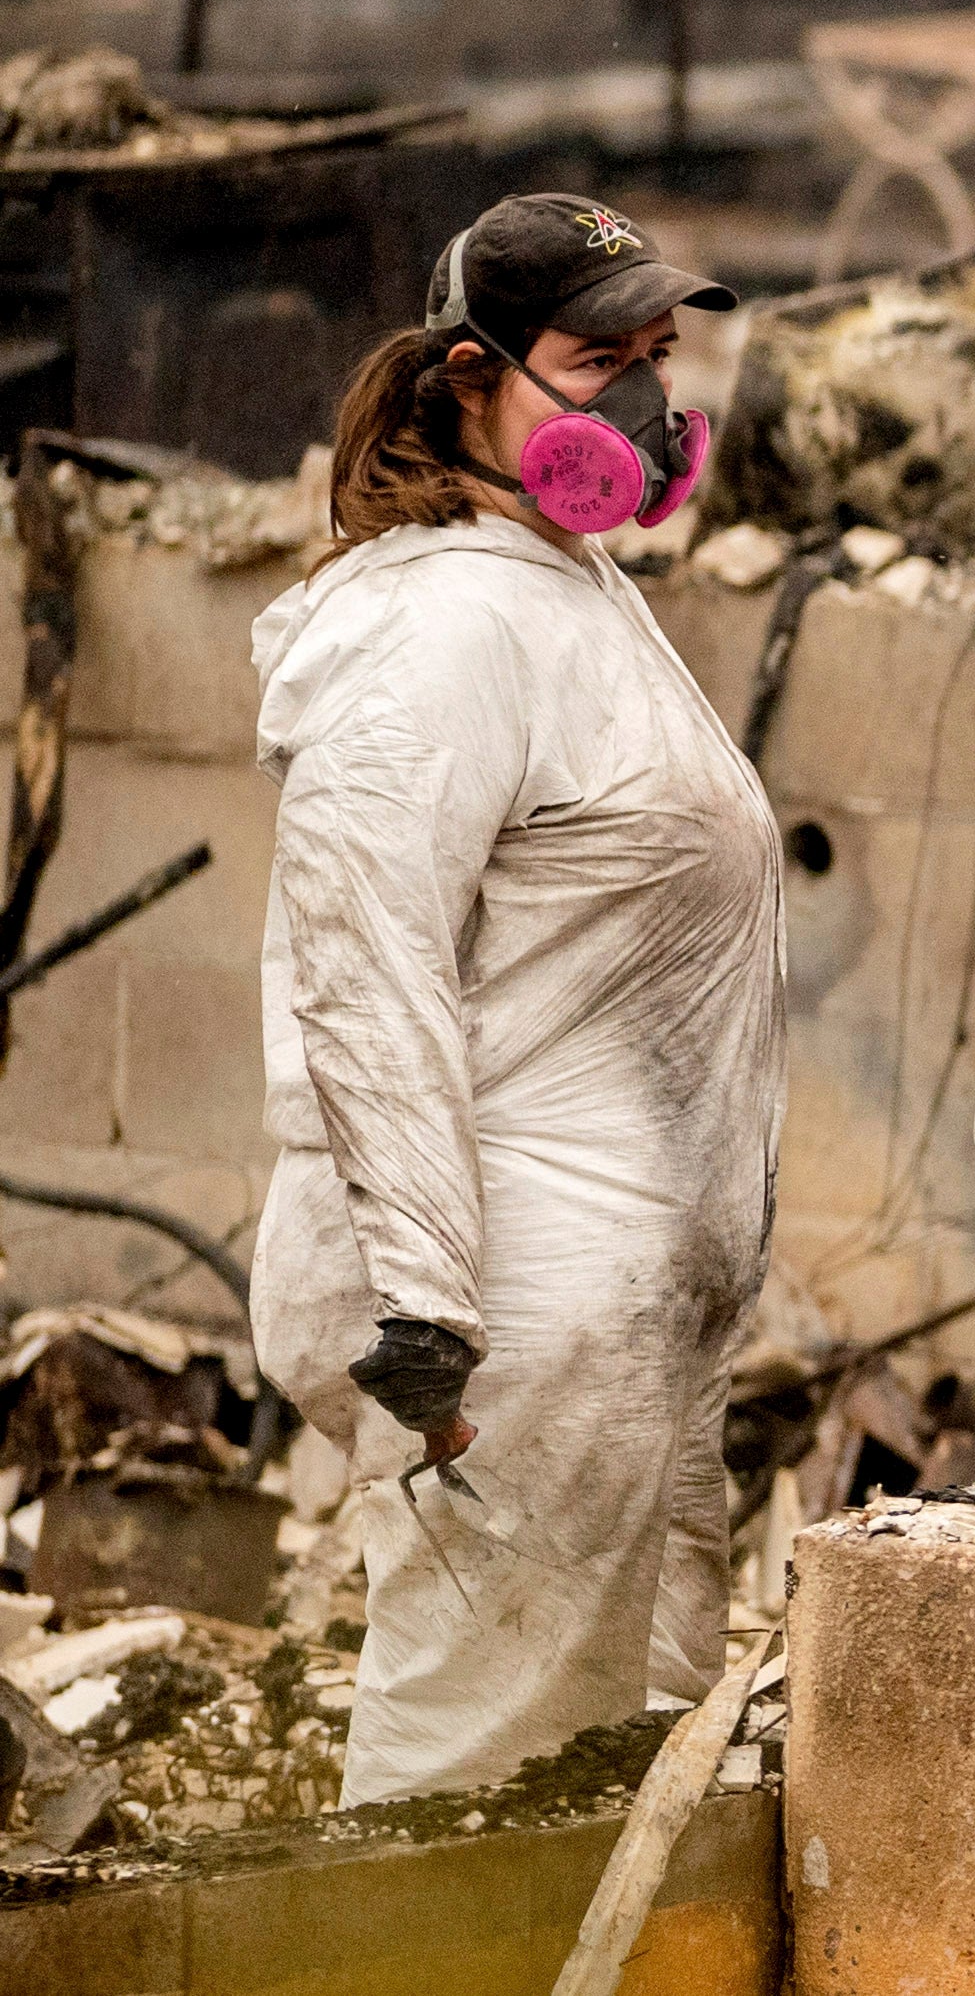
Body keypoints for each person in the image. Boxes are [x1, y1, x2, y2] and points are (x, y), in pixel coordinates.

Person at [249, 193, 777, 1801]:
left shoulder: (565, 586)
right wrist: (426, 1302)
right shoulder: (439, 622)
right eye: (595, 359)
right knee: (462, 1774)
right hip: (503, 1314)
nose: (642, 403)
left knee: (601, 1776)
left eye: (657, 358)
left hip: (612, 1312)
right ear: (471, 377)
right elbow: (366, 958)